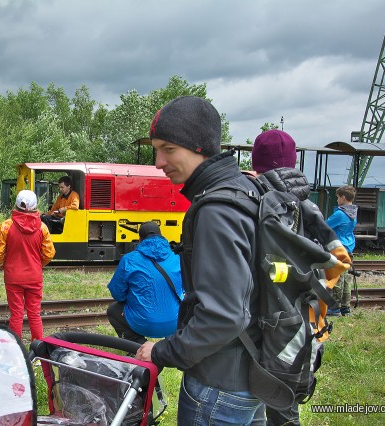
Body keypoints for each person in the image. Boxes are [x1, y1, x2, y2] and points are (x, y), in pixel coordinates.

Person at [135, 96, 264, 424]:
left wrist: (163, 350)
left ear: (199, 146)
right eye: (156, 149)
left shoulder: (215, 210)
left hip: (219, 387)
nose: (158, 161)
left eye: (168, 148)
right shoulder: (244, 190)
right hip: (255, 375)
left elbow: (223, 316)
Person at [252, 129, 352, 426]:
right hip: (310, 319)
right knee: (287, 401)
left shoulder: (262, 204)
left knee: (275, 401)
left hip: (274, 323)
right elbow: (335, 261)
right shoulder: (309, 207)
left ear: (258, 165)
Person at [0, 190, 55, 341]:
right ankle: (38, 350)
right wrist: (37, 265)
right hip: (34, 276)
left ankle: (16, 348)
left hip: (13, 277)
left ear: (16, 205)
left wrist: (5, 266)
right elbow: (49, 253)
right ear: (35, 206)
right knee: (34, 314)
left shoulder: (6, 226)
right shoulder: (42, 227)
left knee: (16, 314)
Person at [106, 221, 183, 344]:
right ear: (161, 236)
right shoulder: (176, 258)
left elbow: (117, 294)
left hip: (141, 324)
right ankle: (171, 345)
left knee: (113, 310)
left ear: (140, 239)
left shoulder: (129, 259)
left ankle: (138, 345)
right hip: (174, 323)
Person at [326, 185, 358, 316]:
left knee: (337, 277)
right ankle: (345, 307)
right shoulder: (354, 213)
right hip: (349, 246)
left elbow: (325, 226)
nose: (337, 200)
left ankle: (334, 308)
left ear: (344, 198)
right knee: (346, 278)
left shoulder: (340, 214)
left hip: (338, 247)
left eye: (338, 197)